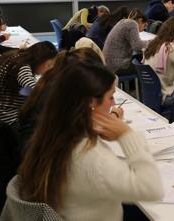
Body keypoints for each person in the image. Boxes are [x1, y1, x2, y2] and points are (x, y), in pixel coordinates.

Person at [17, 60, 163, 220]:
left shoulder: (53, 134)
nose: (114, 103)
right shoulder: (91, 158)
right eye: (111, 97)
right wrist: (126, 135)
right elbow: (152, 189)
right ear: (91, 103)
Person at [18, 48, 105, 152]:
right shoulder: (59, 94)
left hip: (35, 149)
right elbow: (77, 132)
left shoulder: (53, 82)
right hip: (38, 154)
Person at [0, 41, 57, 127]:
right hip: (8, 116)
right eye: (48, 65)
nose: (48, 70)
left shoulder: (16, 57)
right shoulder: (23, 68)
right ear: (40, 60)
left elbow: (25, 90)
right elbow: (36, 91)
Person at [103, 9, 148, 75]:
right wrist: (152, 42)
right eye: (145, 25)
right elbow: (137, 46)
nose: (144, 29)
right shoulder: (132, 24)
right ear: (140, 20)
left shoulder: (123, 22)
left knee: (138, 57)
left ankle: (134, 85)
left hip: (109, 64)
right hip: (117, 66)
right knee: (147, 66)